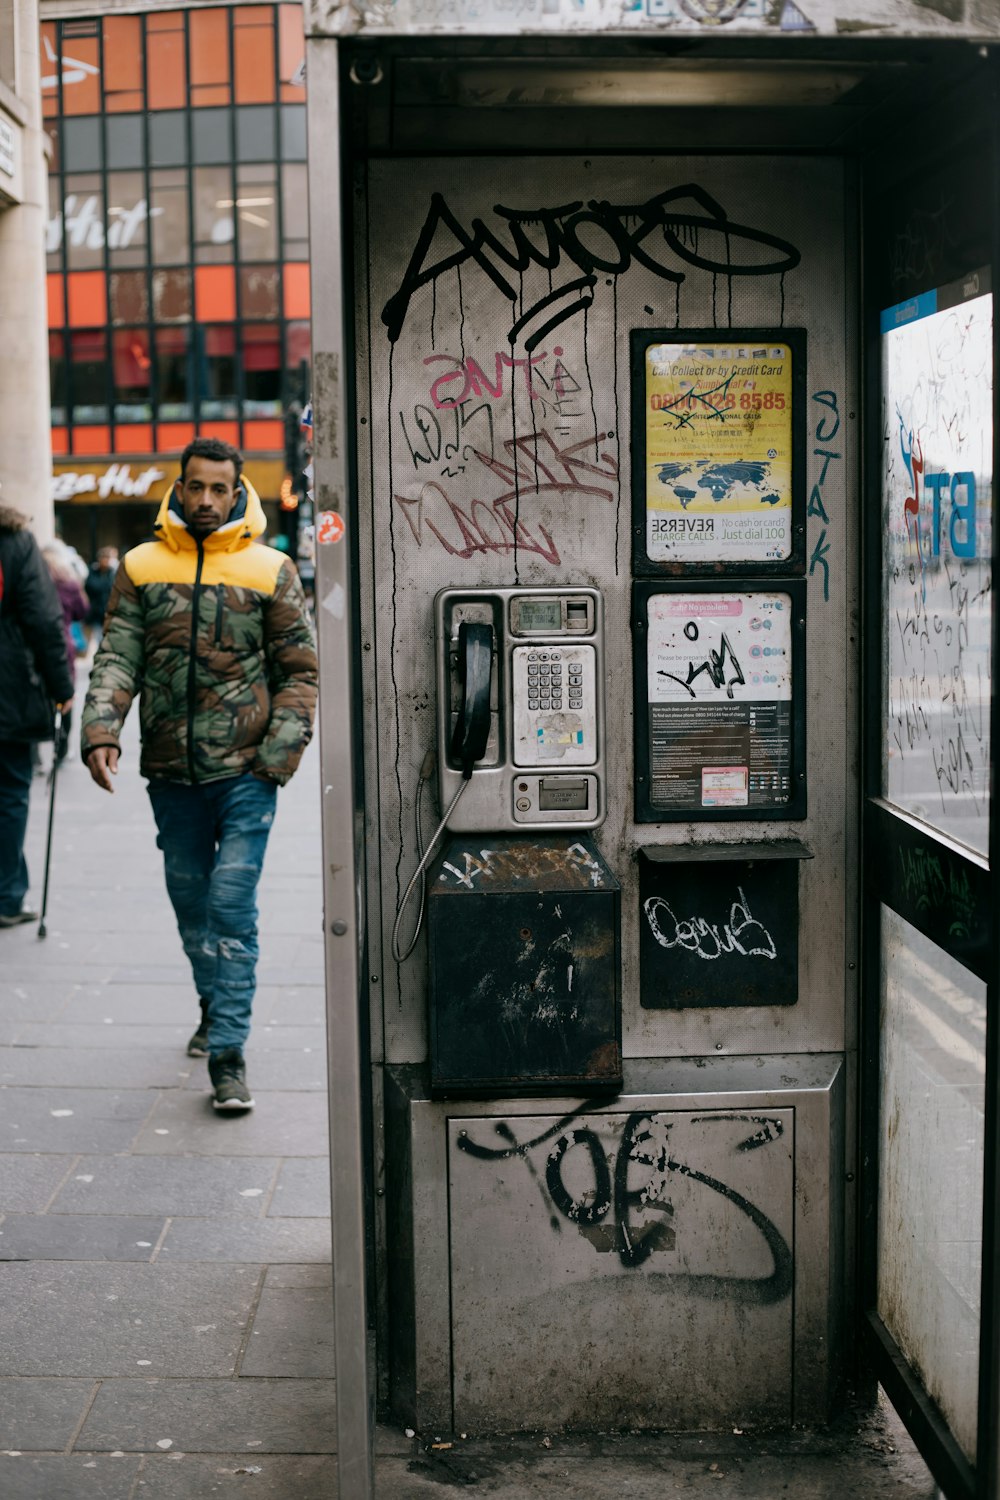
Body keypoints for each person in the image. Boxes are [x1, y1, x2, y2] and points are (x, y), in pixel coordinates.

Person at [81, 439, 318, 1111]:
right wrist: (101, 730)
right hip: (171, 773)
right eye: (196, 487)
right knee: (192, 911)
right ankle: (213, 1007)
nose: (207, 500)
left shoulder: (270, 568)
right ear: (178, 490)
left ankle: (229, 1055)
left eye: (220, 488)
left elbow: (300, 672)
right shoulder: (141, 565)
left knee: (230, 909)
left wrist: (277, 759)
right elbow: (117, 656)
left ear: (240, 491)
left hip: (247, 773)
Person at [0, 505, 75, 926]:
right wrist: (61, 688)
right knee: (10, 790)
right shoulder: (14, 541)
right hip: (7, 687)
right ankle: (7, 895)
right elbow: (43, 620)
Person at [42, 544, 88, 764]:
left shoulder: (35, 581)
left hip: (36, 647)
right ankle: (62, 745)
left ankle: (40, 751)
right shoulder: (69, 584)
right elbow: (82, 611)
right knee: (65, 695)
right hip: (63, 645)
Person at [84, 545, 118, 647]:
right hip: (95, 612)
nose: (105, 560)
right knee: (95, 641)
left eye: (108, 558)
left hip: (108, 611)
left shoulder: (113, 573)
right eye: (103, 557)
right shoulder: (93, 571)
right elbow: (91, 586)